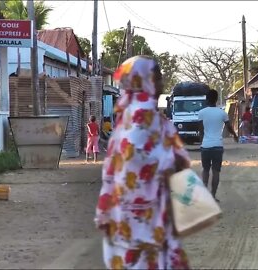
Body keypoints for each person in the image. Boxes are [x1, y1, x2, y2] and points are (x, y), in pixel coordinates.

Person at [95, 56, 191, 269]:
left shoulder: (124, 115)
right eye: (157, 78)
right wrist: (171, 163)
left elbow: (111, 167)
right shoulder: (145, 115)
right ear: (143, 79)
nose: (162, 84)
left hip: (123, 209)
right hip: (148, 212)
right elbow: (140, 155)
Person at [198, 89, 238, 202]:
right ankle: (213, 196)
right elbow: (229, 127)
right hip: (217, 146)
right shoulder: (222, 113)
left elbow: (200, 131)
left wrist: (202, 142)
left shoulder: (201, 113)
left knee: (205, 170)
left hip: (205, 146)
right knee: (216, 171)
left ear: (206, 99)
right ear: (216, 99)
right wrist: (235, 135)